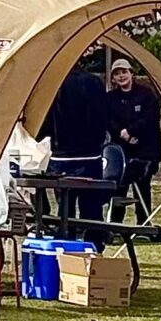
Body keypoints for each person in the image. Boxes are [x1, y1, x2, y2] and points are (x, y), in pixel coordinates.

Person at [42, 56, 113, 222]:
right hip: (91, 153)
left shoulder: (53, 85)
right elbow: (104, 115)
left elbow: (46, 119)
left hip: (62, 154)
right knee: (91, 205)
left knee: (65, 205)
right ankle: (94, 240)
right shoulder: (94, 83)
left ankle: (66, 237)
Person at [102, 58, 161, 223]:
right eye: (117, 74)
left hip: (145, 150)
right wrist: (123, 133)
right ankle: (115, 223)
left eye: (124, 72)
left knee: (143, 187)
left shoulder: (146, 94)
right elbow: (107, 120)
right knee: (118, 187)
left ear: (131, 73)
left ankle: (143, 222)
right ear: (113, 79)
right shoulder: (110, 98)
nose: (121, 76)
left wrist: (132, 132)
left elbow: (150, 119)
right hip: (121, 151)